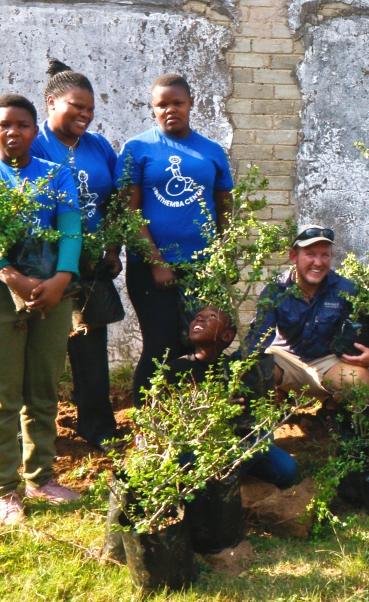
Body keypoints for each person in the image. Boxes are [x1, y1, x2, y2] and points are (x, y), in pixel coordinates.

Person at [0, 94, 83, 526]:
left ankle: (41, 479)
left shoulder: (56, 175)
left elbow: (71, 231)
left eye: (23, 125)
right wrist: (15, 278)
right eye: (4, 125)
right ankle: (5, 492)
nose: (14, 132)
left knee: (43, 389)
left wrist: (61, 281)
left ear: (35, 131)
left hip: (51, 293)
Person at [118, 73, 234, 407]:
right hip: (151, 268)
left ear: (191, 104)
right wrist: (156, 262)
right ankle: (146, 423)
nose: (170, 110)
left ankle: (190, 418)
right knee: (161, 346)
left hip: (202, 266)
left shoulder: (211, 151)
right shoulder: (138, 149)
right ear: (153, 109)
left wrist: (221, 253)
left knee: (198, 346)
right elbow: (128, 211)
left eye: (177, 103)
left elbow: (225, 206)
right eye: (161, 105)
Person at [30, 59, 122, 452]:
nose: (85, 115)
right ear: (51, 103)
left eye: (90, 110)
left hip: (90, 266)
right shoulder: (34, 144)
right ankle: (33, 432)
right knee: (41, 352)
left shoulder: (98, 146)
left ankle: (97, 427)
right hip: (44, 266)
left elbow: (118, 199)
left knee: (90, 348)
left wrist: (113, 247)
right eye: (76, 107)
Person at [247, 225, 369, 433]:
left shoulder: (345, 289)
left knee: (359, 379)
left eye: (324, 255)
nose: (318, 262)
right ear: (293, 257)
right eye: (310, 254)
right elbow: (257, 337)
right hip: (284, 358)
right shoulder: (275, 290)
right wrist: (240, 370)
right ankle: (274, 411)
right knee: (255, 372)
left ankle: (331, 409)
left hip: (326, 361)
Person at [164, 306, 297, 488]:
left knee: (285, 468)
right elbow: (168, 422)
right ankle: (216, 483)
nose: (200, 320)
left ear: (227, 336)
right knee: (261, 441)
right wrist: (211, 410)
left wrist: (266, 403)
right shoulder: (176, 369)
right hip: (195, 447)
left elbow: (253, 417)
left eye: (211, 317)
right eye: (197, 317)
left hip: (236, 441)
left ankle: (223, 475)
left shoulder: (236, 369)